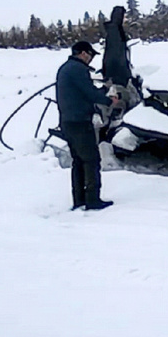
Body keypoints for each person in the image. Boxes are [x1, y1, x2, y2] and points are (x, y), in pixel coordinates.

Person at [56, 41, 121, 211]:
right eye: (90, 55)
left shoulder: (65, 68)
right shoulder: (78, 70)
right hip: (79, 122)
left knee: (78, 161)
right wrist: (109, 99)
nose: (91, 59)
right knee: (91, 160)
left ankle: (79, 199)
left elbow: (82, 93)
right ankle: (93, 200)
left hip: (67, 122)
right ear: (83, 53)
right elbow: (90, 93)